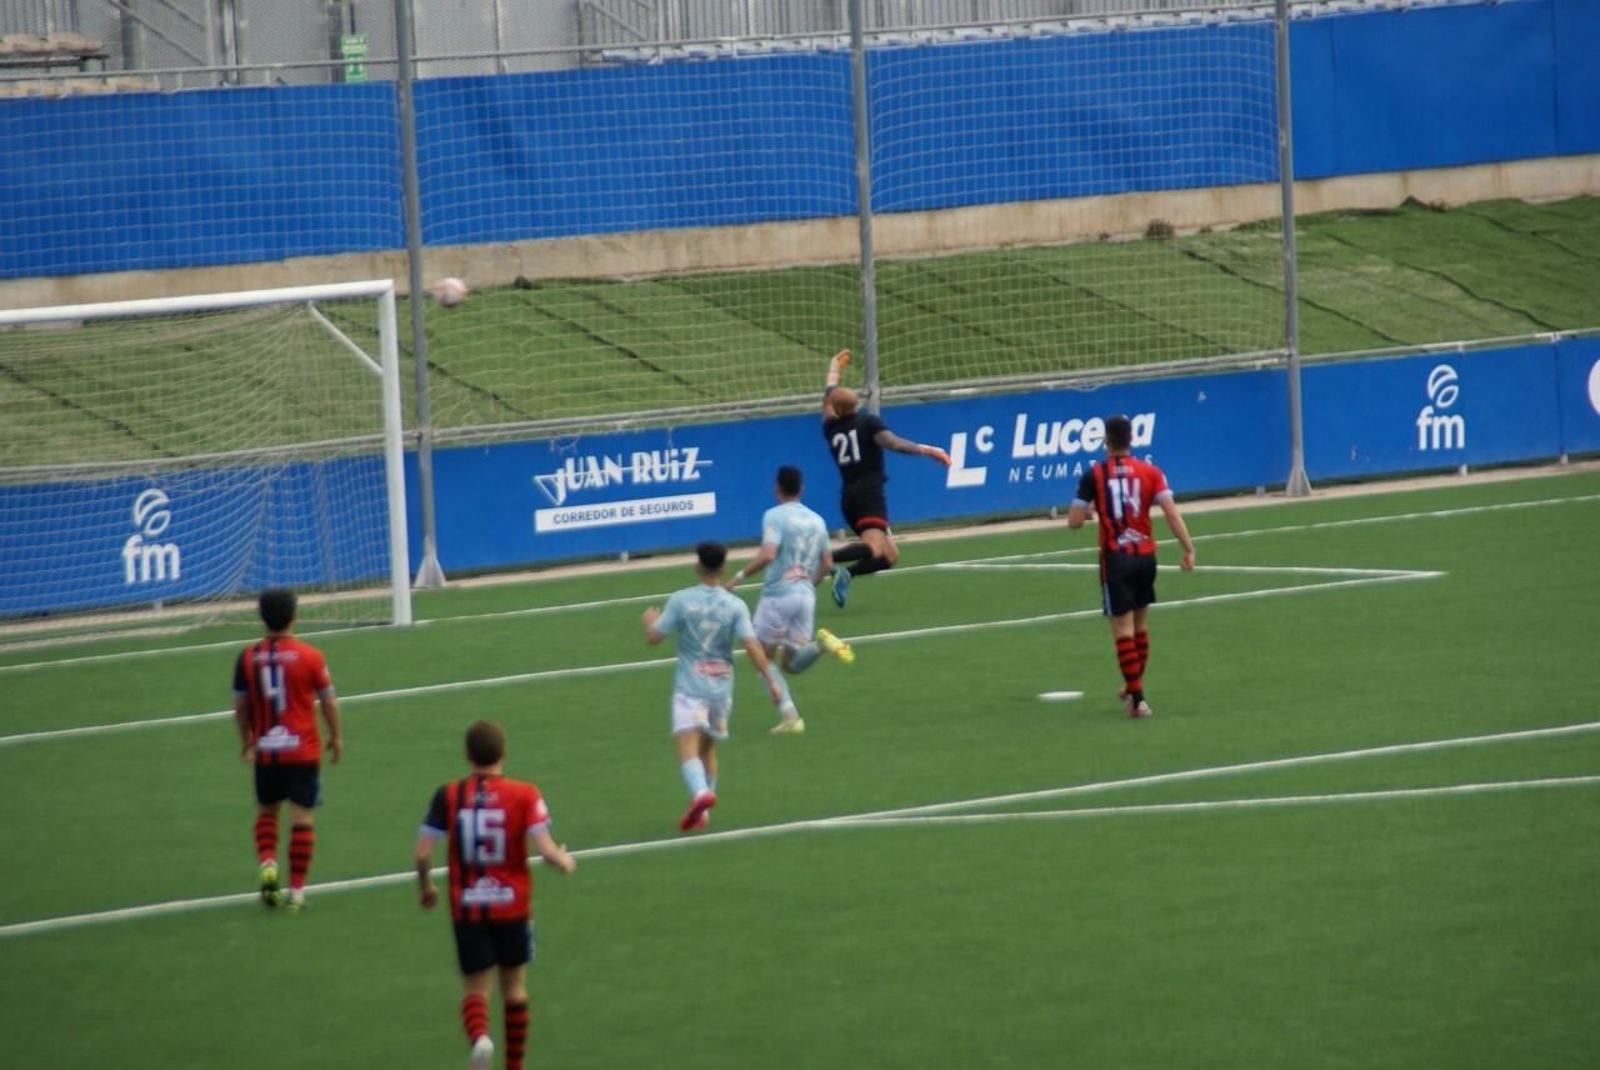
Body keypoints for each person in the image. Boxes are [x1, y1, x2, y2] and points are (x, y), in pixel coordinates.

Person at [416, 720, 576, 1070]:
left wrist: (426, 885)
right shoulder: (525, 793)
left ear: (467, 756)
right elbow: (546, 849)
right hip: (513, 908)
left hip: (468, 907)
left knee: (475, 989)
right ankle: (513, 1065)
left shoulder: (448, 794)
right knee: (515, 988)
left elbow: (423, 852)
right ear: (504, 753)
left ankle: (481, 1039)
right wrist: (564, 860)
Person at [643, 541, 785, 831]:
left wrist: (650, 621)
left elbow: (655, 637)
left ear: (697, 566)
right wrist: (771, 681)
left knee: (687, 749)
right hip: (721, 692)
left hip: (691, 689)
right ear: (723, 568)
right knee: (708, 750)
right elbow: (753, 647)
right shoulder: (735, 605)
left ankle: (701, 794)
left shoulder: (681, 600)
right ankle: (703, 813)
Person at [1066, 414, 1196, 718]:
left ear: (1105, 441)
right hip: (1145, 557)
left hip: (1115, 558)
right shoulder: (1151, 472)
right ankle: (1132, 683)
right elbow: (1172, 514)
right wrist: (1188, 548)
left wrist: (1087, 515)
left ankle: (1138, 699)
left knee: (1122, 631)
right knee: (1140, 627)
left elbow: (1073, 521)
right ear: (1131, 440)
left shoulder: (1094, 474)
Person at [232, 587, 341, 911]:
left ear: (262, 618)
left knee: (267, 811)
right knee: (302, 818)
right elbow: (329, 701)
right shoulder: (310, 656)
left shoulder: (247, 658)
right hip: (302, 751)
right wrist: (336, 736)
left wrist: (247, 741)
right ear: (295, 616)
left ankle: (268, 863)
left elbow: (240, 707)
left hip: (267, 751)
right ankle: (296, 892)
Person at [725, 465, 855, 735]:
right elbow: (827, 562)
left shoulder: (774, 516)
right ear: (802, 489)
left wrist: (738, 577)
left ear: (777, 488)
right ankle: (821, 646)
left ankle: (790, 716)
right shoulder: (817, 520)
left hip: (778, 596)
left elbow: (769, 553)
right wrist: (808, 584)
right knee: (790, 663)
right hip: (805, 596)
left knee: (762, 658)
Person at [820, 348, 950, 608]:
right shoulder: (868, 423)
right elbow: (894, 443)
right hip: (869, 495)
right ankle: (822, 559)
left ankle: (847, 574)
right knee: (872, 549)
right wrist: (929, 449)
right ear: (855, 404)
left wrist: (834, 371)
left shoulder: (829, 426)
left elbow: (827, 400)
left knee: (889, 556)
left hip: (849, 497)